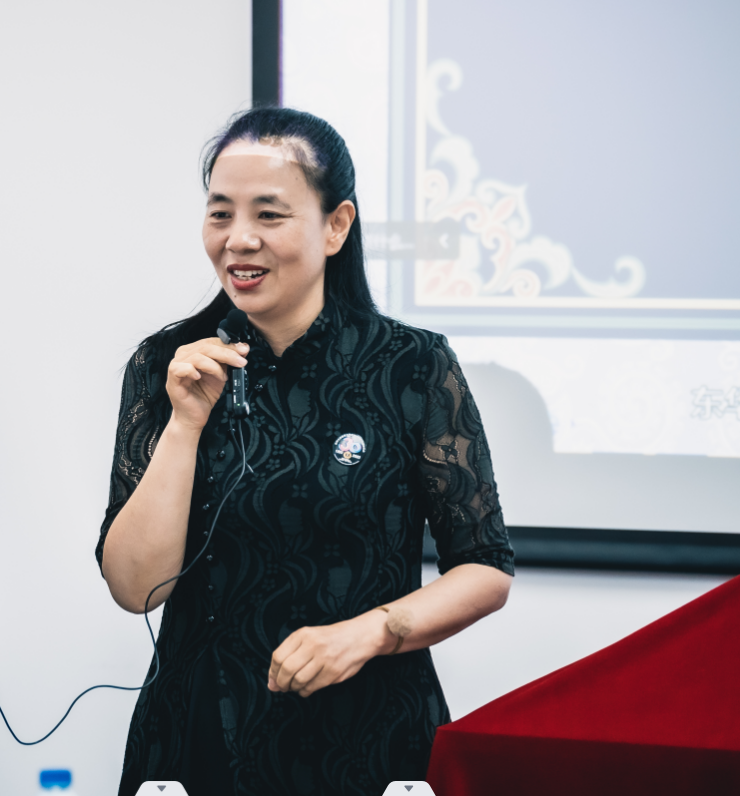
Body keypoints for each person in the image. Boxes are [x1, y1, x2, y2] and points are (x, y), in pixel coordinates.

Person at [96, 106, 515, 796]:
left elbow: (485, 569)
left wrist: (370, 633)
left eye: (268, 214)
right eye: (220, 213)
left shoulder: (411, 365)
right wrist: (185, 425)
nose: (238, 239)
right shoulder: (168, 364)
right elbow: (135, 588)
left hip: (371, 736)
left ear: (336, 225)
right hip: (201, 738)